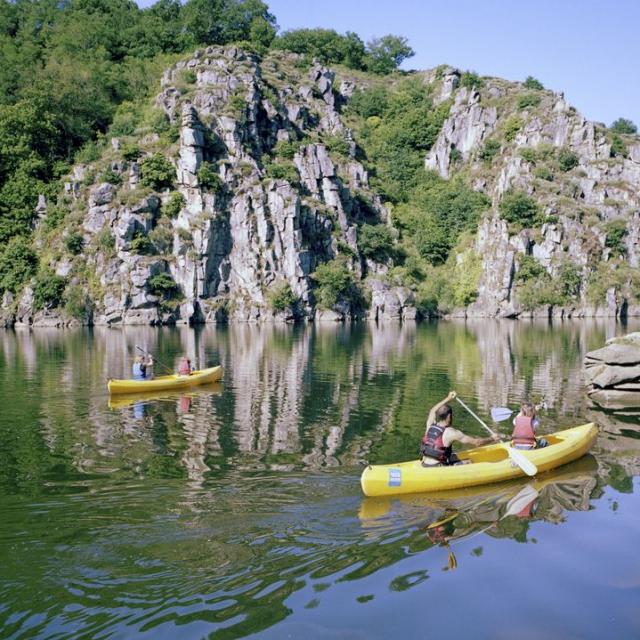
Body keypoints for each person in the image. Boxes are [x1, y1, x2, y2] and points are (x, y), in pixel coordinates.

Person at [421, 391, 499, 466]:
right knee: (469, 462)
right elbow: (477, 442)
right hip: (438, 467)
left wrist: (448, 398)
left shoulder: (430, 424)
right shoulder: (451, 432)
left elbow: (433, 410)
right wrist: (492, 438)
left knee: (454, 456)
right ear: (449, 416)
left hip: (424, 464)